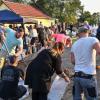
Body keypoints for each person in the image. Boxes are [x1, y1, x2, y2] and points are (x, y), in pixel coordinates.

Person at [70, 27, 100, 100]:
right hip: (88, 76)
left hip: (77, 77)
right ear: (88, 32)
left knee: (77, 98)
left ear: (79, 34)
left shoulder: (74, 44)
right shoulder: (93, 39)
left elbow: (73, 61)